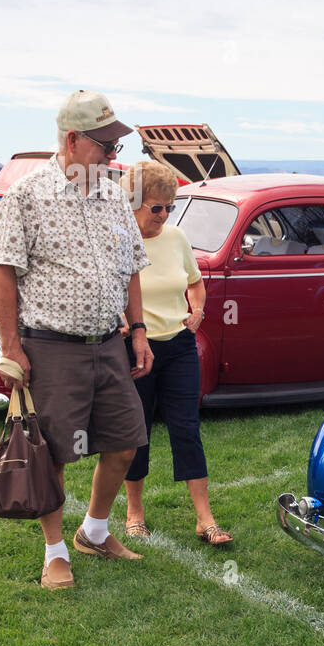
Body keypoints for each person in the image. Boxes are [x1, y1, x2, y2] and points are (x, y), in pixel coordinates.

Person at [0, 90, 152, 591]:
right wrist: (11, 346)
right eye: (104, 143)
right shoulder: (27, 194)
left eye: (116, 142)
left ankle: (95, 531)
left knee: (125, 442)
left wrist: (140, 329)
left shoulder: (113, 194)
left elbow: (131, 268)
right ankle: (55, 552)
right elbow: (3, 273)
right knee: (55, 453)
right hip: (51, 347)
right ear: (73, 139)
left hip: (108, 343)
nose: (112, 153)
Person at [119, 161, 232, 546]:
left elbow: (196, 284)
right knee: (139, 432)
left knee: (187, 428)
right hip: (135, 349)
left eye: (170, 206)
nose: (165, 215)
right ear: (131, 204)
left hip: (179, 346)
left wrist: (197, 312)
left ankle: (205, 519)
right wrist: (123, 324)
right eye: (156, 207)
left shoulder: (177, 237)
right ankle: (134, 514)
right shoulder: (117, 242)